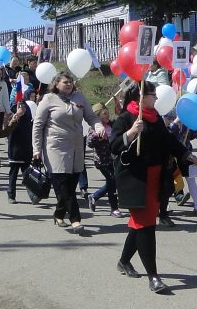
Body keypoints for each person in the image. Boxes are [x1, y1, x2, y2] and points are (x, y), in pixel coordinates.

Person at [112, 82, 187, 293]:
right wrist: (131, 133)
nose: (156, 98)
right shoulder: (127, 118)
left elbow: (168, 141)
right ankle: (153, 276)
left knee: (140, 224)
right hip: (136, 181)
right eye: (153, 94)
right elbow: (114, 145)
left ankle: (124, 261)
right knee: (146, 226)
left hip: (157, 179)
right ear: (141, 97)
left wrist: (187, 155)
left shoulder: (155, 118)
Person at [34, 72, 91, 232]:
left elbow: (91, 116)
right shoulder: (48, 99)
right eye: (65, 82)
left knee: (70, 185)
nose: (69, 84)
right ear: (56, 83)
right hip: (55, 147)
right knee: (64, 184)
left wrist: (98, 126)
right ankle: (75, 220)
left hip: (76, 147)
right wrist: (36, 149)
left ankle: (59, 215)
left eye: (71, 82)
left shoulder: (79, 97)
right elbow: (38, 125)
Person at [87, 103, 122, 216]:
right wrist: (96, 135)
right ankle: (114, 208)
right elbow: (89, 143)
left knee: (113, 181)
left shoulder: (111, 125)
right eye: (105, 114)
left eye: (108, 113)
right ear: (98, 116)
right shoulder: (95, 127)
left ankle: (94, 196)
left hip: (113, 159)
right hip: (102, 161)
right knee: (112, 181)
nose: (108, 116)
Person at [6, 84, 36, 203]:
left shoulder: (28, 107)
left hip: (26, 143)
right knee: (13, 173)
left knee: (27, 173)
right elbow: (9, 123)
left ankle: (33, 194)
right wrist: (16, 114)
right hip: (15, 144)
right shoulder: (14, 105)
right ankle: (11, 195)